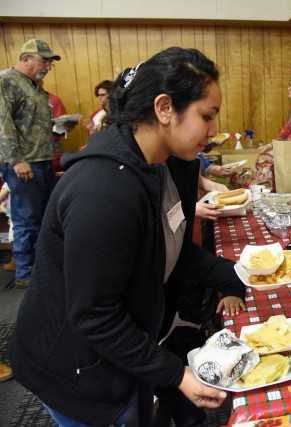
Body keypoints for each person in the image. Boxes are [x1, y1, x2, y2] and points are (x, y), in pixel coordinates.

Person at [8, 47, 247, 426]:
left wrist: (246, 276)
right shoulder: (104, 190)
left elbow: (175, 250)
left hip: (123, 346)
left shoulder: (172, 164)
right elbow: (95, 316)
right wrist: (174, 373)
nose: (213, 131)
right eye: (206, 116)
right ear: (165, 108)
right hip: (74, 367)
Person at [0, 39, 62, 289]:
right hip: (25, 165)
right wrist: (17, 160)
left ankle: (40, 270)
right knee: (26, 220)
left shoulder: (34, 86)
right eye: (44, 60)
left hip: (43, 162)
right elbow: (3, 125)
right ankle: (25, 274)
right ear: (26, 58)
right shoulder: (7, 81)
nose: (48, 65)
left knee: (46, 218)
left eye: (50, 61)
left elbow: (29, 124)